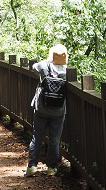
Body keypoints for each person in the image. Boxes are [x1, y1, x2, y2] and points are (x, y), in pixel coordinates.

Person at [25, 44, 68, 177]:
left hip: (41, 108)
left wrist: (48, 61)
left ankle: (32, 166)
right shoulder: (68, 71)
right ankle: (51, 167)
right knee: (55, 140)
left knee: (37, 137)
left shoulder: (44, 66)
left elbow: (33, 67)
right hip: (58, 111)